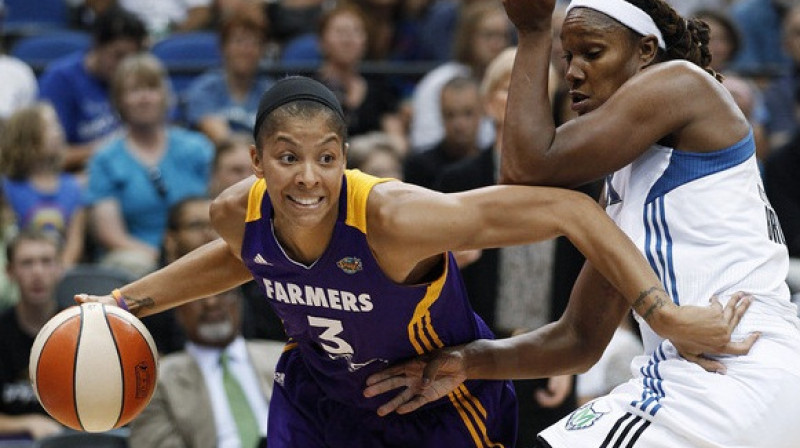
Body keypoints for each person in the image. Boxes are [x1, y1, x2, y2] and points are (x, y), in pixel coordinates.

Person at [77, 76, 750, 447]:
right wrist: (124, 303)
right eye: (288, 157)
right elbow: (243, 257)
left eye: (327, 158)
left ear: (345, 155)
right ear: (257, 162)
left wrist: (662, 314)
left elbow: (572, 212)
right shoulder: (236, 213)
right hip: (319, 398)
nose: (309, 178)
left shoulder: (395, 218)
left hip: (438, 399)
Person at [364, 1, 800, 447]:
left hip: (732, 370)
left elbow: (526, 168)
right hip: (745, 380)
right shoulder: (631, 188)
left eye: (592, 53)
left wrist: (533, 32)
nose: (572, 72)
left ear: (646, 51)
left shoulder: (683, 84)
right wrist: (469, 361)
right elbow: (578, 338)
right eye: (565, 56)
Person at [86, 53, 213, 279]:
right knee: (130, 265)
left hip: (200, 248)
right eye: (134, 90)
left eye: (151, 88)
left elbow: (223, 208)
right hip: (139, 261)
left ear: (164, 96)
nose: (144, 98)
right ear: (119, 100)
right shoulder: (105, 158)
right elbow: (109, 234)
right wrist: (163, 260)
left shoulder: (197, 148)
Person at [129, 287, 284, 448]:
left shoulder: (287, 357)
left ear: (239, 301)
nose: (212, 302)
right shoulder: (156, 382)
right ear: (178, 309)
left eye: (223, 292)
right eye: (198, 295)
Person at [38, 7, 147, 173]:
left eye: (132, 58)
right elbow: (48, 157)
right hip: (80, 175)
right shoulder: (60, 80)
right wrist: (108, 148)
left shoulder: (140, 76)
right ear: (96, 46)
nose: (125, 66)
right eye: (118, 55)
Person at [0, 103, 86, 268]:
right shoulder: (8, 187)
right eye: (49, 126)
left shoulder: (74, 187)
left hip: (60, 270)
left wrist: (60, 270)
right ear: (27, 137)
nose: (58, 132)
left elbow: (75, 241)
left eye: (57, 124)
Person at [0, 230, 65, 441]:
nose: (37, 272)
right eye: (27, 263)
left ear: (60, 268)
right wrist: (27, 423)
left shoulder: (83, 331)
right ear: (10, 271)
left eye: (46, 262)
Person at [182, 3, 274, 145]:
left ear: (262, 51)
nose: (245, 50)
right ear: (223, 48)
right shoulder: (205, 88)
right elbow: (220, 138)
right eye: (239, 42)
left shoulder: (270, 91)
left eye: (254, 43)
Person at [404, 76, 484, 189]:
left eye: (468, 113)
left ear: (483, 111)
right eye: (450, 115)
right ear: (441, 114)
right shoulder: (419, 167)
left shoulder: (493, 165)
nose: (459, 124)